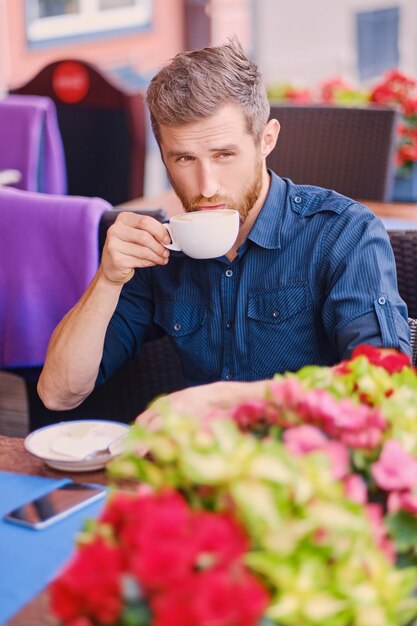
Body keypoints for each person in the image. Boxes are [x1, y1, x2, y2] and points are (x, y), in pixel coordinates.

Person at [37, 39, 411, 416]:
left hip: (312, 465)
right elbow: (58, 393)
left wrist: (227, 399)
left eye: (224, 155)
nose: (207, 186)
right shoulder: (159, 249)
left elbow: (383, 387)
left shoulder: (343, 233)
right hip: (198, 465)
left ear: (267, 139)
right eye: (184, 158)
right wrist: (108, 280)